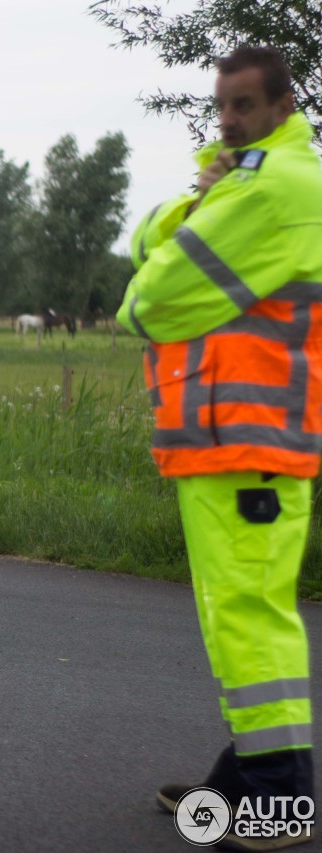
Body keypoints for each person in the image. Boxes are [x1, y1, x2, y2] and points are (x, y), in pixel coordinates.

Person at [117, 45, 322, 848]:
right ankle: (240, 781)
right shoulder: (245, 184)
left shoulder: (276, 189)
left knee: (251, 617)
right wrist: (200, 198)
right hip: (223, 440)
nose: (228, 120)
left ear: (282, 105)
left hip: (249, 440)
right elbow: (145, 249)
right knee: (236, 615)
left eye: (244, 105)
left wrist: (200, 212)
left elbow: (149, 299)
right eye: (222, 105)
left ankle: (280, 797)